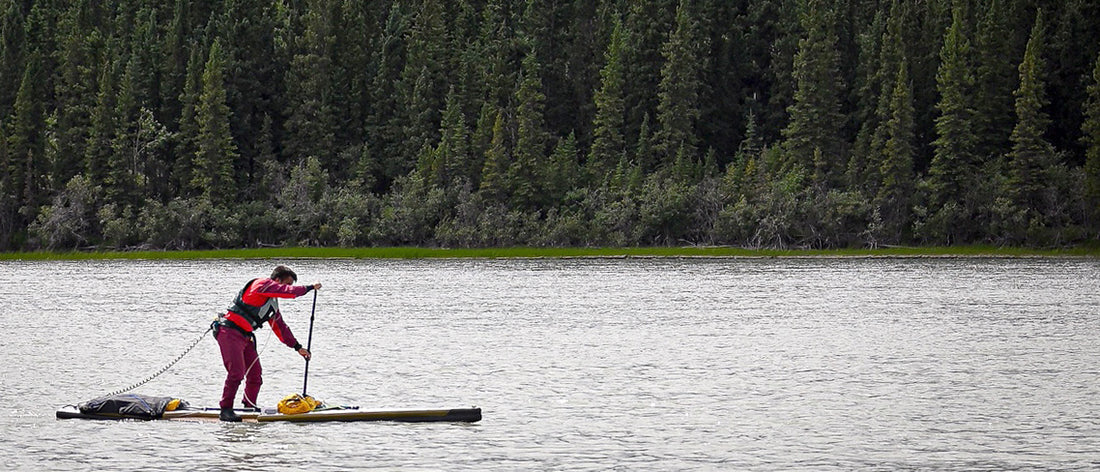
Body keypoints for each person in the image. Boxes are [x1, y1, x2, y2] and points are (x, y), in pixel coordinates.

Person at [213, 265, 321, 422]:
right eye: (287, 283)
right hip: (229, 332)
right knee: (236, 372)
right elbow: (289, 293)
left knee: (256, 375)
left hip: (245, 337)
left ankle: (249, 407)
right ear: (277, 280)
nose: (288, 288)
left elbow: (281, 329)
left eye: (290, 285)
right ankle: (226, 410)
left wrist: (298, 347)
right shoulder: (261, 285)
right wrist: (310, 287)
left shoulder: (272, 305)